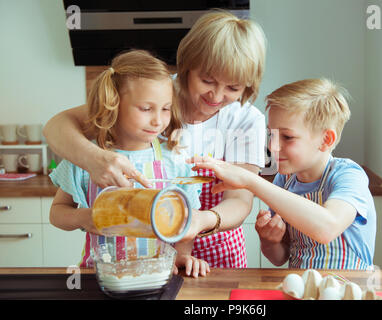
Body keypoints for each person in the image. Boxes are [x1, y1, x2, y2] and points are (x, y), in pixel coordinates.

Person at [43, 10, 267, 269]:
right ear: (187, 67)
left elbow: (239, 201)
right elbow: (56, 126)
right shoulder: (154, 91)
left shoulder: (247, 120)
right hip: (148, 260)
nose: (216, 96)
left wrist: (197, 222)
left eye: (233, 88)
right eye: (207, 80)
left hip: (219, 249)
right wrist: (94, 160)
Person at [48, 49, 210, 277]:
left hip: (157, 276)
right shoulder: (86, 158)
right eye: (146, 109)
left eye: (165, 109)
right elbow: (57, 213)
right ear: (113, 104)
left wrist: (182, 254)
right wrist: (81, 217)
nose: (158, 120)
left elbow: (185, 219)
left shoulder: (176, 161)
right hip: (98, 276)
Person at [189, 79, 377, 270]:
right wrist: (270, 241)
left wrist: (250, 181)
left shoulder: (349, 175)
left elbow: (327, 227)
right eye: (271, 134)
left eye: (287, 137)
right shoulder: (284, 181)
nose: (273, 146)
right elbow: (280, 258)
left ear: (326, 139)